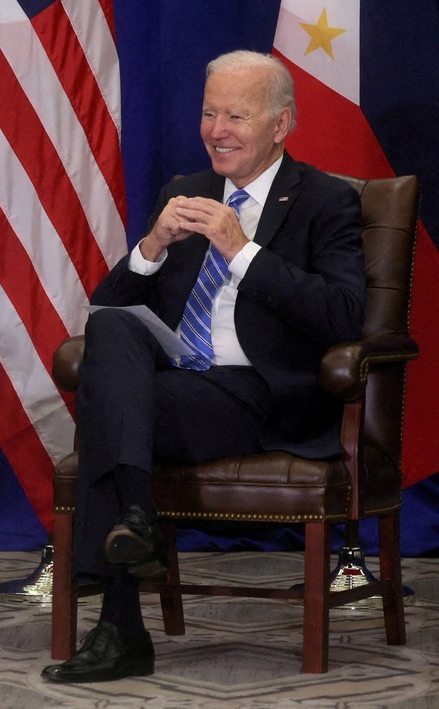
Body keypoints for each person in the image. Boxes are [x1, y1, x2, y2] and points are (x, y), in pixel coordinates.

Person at [40, 50, 365, 683]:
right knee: (113, 329)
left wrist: (242, 251)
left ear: (280, 124)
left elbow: (344, 315)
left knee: (111, 415)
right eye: (209, 113)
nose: (217, 130)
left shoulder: (325, 201)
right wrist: (152, 246)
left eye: (236, 116)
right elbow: (108, 308)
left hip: (258, 394)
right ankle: (137, 523)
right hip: (175, 383)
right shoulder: (182, 193)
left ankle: (120, 626)